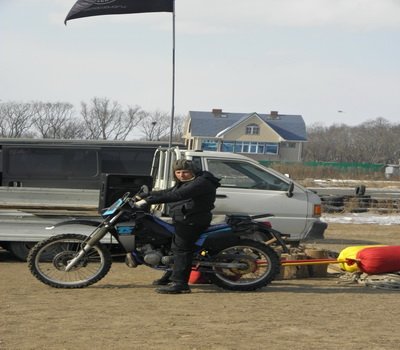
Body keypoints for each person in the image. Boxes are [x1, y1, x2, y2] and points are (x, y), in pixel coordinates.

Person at [135, 159, 220, 294]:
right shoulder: (187, 182)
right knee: (170, 246)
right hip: (183, 219)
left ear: (193, 171)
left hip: (193, 220)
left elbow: (178, 195)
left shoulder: (201, 182)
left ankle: (180, 284)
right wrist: (147, 194)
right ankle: (170, 275)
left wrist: (148, 201)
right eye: (178, 172)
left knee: (181, 249)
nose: (181, 175)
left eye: (185, 172)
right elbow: (168, 191)